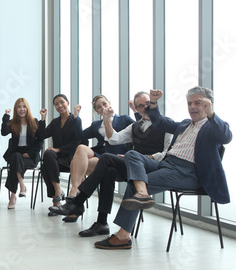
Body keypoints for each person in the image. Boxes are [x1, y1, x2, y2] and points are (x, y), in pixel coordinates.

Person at [89, 87, 232, 250]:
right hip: (166, 164)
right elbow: (160, 122)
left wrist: (211, 114)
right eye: (190, 103)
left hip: (187, 172)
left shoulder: (213, 127)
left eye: (198, 103)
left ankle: (123, 235)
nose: (192, 107)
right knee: (132, 155)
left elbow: (226, 137)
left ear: (208, 104)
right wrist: (154, 103)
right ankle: (142, 192)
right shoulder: (185, 124)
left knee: (134, 184)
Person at [49, 91, 173, 236]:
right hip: (130, 164)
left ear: (153, 103)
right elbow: (114, 139)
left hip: (152, 166)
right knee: (109, 171)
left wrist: (141, 157)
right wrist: (106, 119)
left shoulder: (166, 124)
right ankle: (101, 223)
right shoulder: (135, 126)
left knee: (106, 158)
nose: (144, 108)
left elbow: (166, 153)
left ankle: (77, 201)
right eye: (140, 106)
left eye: (147, 104)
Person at [64, 94, 135, 221]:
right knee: (80, 148)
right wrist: (76, 116)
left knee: (75, 163)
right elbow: (79, 135)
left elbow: (139, 130)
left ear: (109, 103)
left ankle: (74, 205)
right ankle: (74, 191)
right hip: (100, 153)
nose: (102, 107)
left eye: (104, 104)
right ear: (96, 111)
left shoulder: (124, 119)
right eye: (98, 107)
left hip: (114, 157)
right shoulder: (96, 125)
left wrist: (135, 110)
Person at [38, 94, 82, 214]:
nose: (59, 106)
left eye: (62, 102)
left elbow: (77, 142)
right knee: (48, 155)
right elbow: (42, 135)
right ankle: (58, 191)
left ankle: (56, 201)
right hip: (57, 161)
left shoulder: (75, 120)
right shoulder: (55, 122)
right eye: (56, 104)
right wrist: (42, 119)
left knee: (45, 165)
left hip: (71, 160)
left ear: (68, 103)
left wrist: (59, 150)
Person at [1, 98, 43, 209]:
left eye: (24, 106)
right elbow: (4, 132)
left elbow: (40, 142)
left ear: (27, 108)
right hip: (16, 153)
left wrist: (30, 153)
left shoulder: (34, 122)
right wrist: (6, 116)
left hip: (30, 156)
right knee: (16, 157)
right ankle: (22, 185)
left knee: (15, 163)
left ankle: (13, 195)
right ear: (16, 109)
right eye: (19, 107)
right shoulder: (13, 123)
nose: (22, 109)